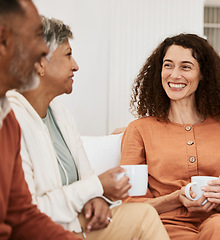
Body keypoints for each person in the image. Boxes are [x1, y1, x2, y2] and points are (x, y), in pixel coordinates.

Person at [7, 16, 169, 240]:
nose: (76, 65)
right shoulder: (9, 120)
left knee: (145, 216)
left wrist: (98, 199)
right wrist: (96, 188)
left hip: (77, 224)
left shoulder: (62, 115)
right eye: (68, 54)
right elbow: (28, 211)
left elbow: (87, 181)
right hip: (37, 231)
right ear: (39, 63)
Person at [120, 33, 220, 240]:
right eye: (168, 65)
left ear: (203, 73)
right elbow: (130, 206)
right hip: (164, 226)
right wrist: (176, 198)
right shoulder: (139, 130)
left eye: (185, 67)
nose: (174, 75)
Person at [0, 0, 81, 239]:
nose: (44, 51)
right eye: (37, 37)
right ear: (4, 40)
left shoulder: (8, 122)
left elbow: (22, 214)